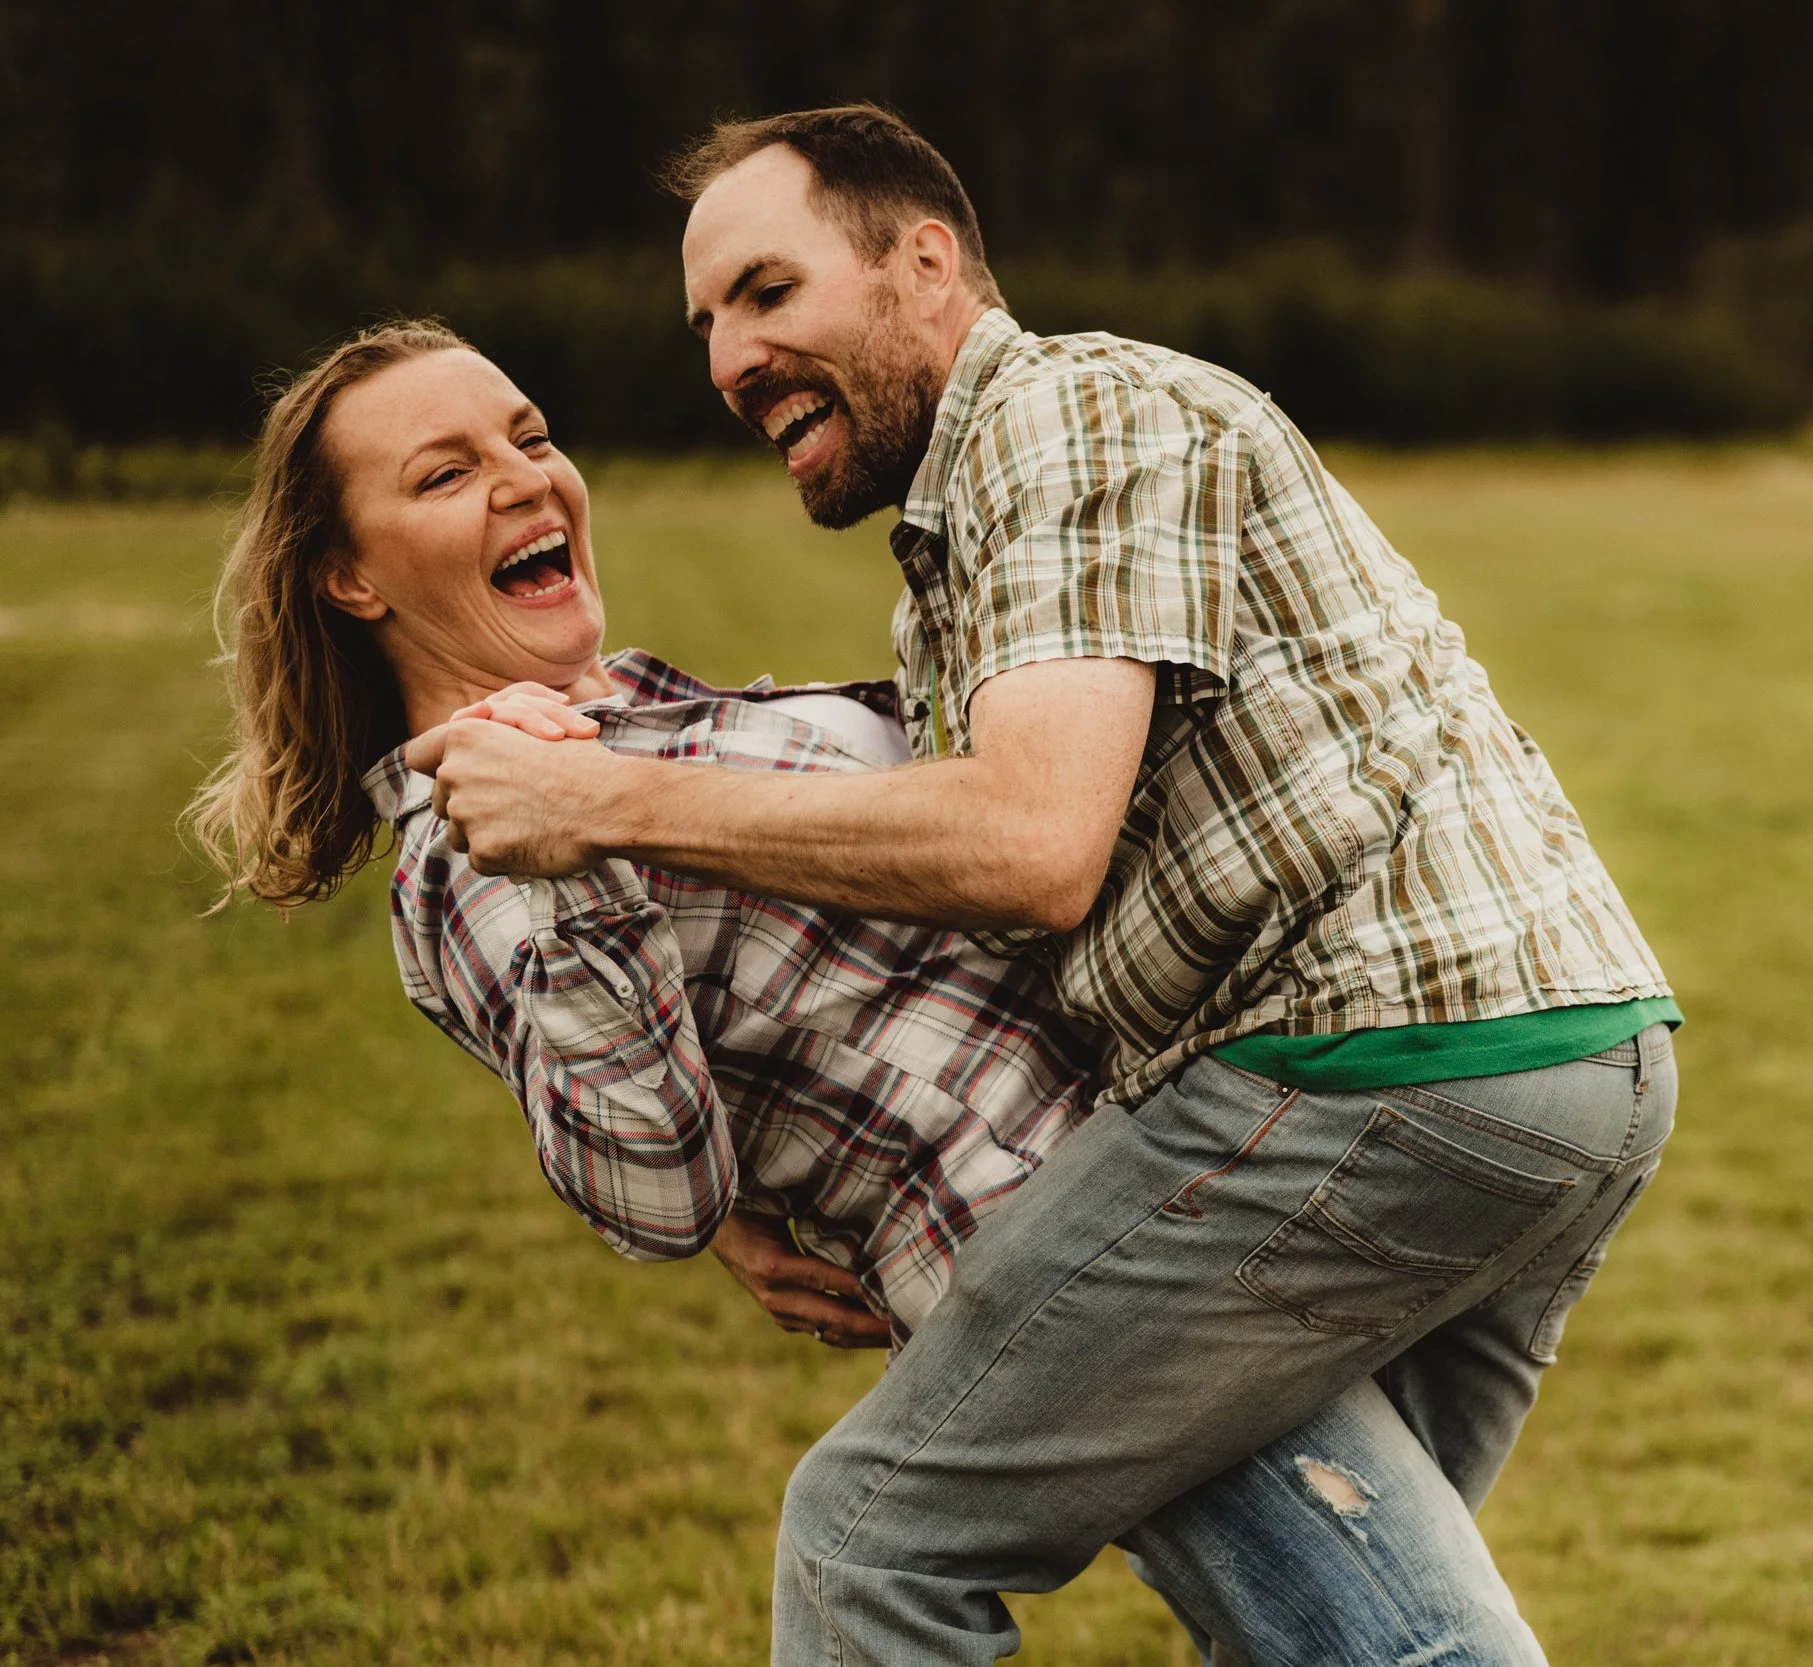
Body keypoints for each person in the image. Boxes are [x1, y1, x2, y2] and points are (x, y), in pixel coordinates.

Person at [412, 105, 1682, 1666]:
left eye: (766, 290)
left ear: (925, 260)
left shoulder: (1056, 421)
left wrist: (603, 800)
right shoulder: (985, 523)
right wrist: (735, 1182)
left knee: (867, 1542)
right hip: (1571, 1057)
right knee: (1337, 1621)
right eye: (707, 324)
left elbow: (1028, 845)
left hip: (1371, 1064)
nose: (730, 359)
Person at [185, 320, 1554, 1664]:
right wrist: (578, 845)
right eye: (442, 473)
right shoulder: (473, 849)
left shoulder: (638, 721)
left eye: (529, 436)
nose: (524, 477)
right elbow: (650, 1185)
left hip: (1231, 1162)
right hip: (1090, 1260)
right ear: (349, 579)